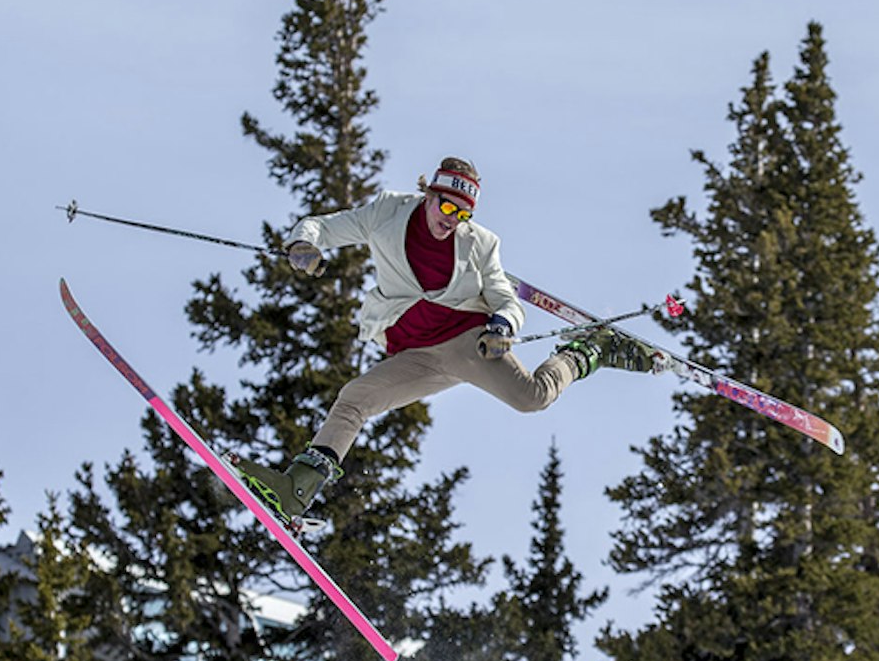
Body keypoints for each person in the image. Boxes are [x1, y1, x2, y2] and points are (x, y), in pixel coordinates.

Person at [232, 157, 658, 523]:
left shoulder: (480, 244)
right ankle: (297, 490)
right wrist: (303, 243)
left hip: (463, 342)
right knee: (355, 397)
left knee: (532, 397)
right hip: (412, 352)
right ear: (429, 194)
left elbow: (504, 297)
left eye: (462, 213)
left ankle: (584, 351)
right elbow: (325, 227)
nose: (451, 218)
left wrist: (501, 328)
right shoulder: (387, 212)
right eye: (446, 205)